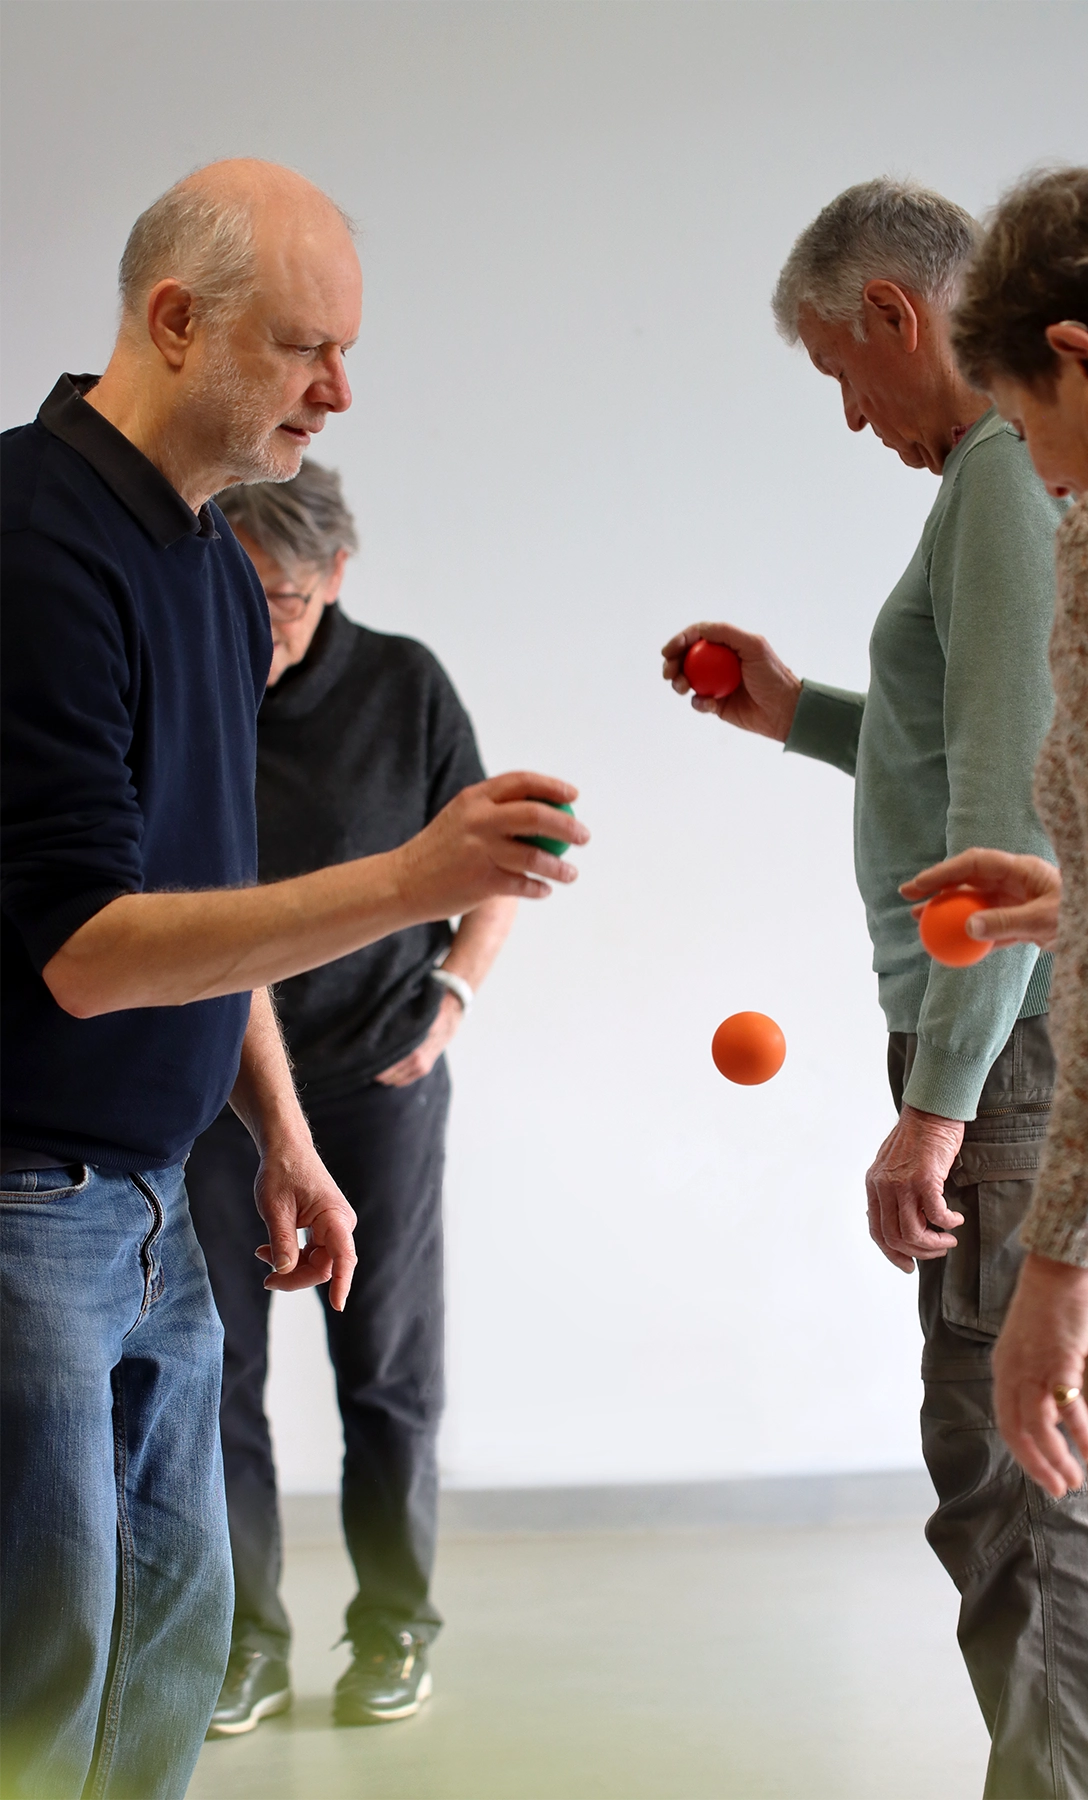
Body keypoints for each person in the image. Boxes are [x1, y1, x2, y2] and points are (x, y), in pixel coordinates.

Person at [0, 158, 586, 1800]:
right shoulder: (35, 550)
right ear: (174, 323)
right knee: (41, 1673)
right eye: (303, 349)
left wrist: (285, 1137)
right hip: (28, 1208)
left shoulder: (197, 556)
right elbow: (89, 950)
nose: (337, 394)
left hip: (162, 1204)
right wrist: (412, 881)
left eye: (347, 353)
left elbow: (213, 901)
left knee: (164, 1669)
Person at [662, 178, 1088, 1798]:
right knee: (1036, 1471)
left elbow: (1003, 815)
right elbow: (960, 761)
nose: (856, 421)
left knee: (1014, 1483)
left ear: (894, 317)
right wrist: (796, 714)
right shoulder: (999, 489)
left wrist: (934, 1107)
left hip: (1006, 1056)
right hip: (1023, 1037)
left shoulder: (1005, 476)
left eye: (841, 379)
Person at [906, 166, 1088, 1798]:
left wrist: (1067, 1266)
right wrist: (1078, 895)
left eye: (1026, 423)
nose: (1047, 478)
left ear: (1080, 359)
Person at [187, 460, 516, 1734]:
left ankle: (393, 1631)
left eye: (278, 597)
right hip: (217, 1081)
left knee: (382, 1368)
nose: (257, 624)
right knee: (213, 1371)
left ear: (336, 575)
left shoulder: (404, 684)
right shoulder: (194, 683)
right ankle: (242, 1646)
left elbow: (497, 861)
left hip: (377, 1078)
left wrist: (451, 1004)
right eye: (236, 592)